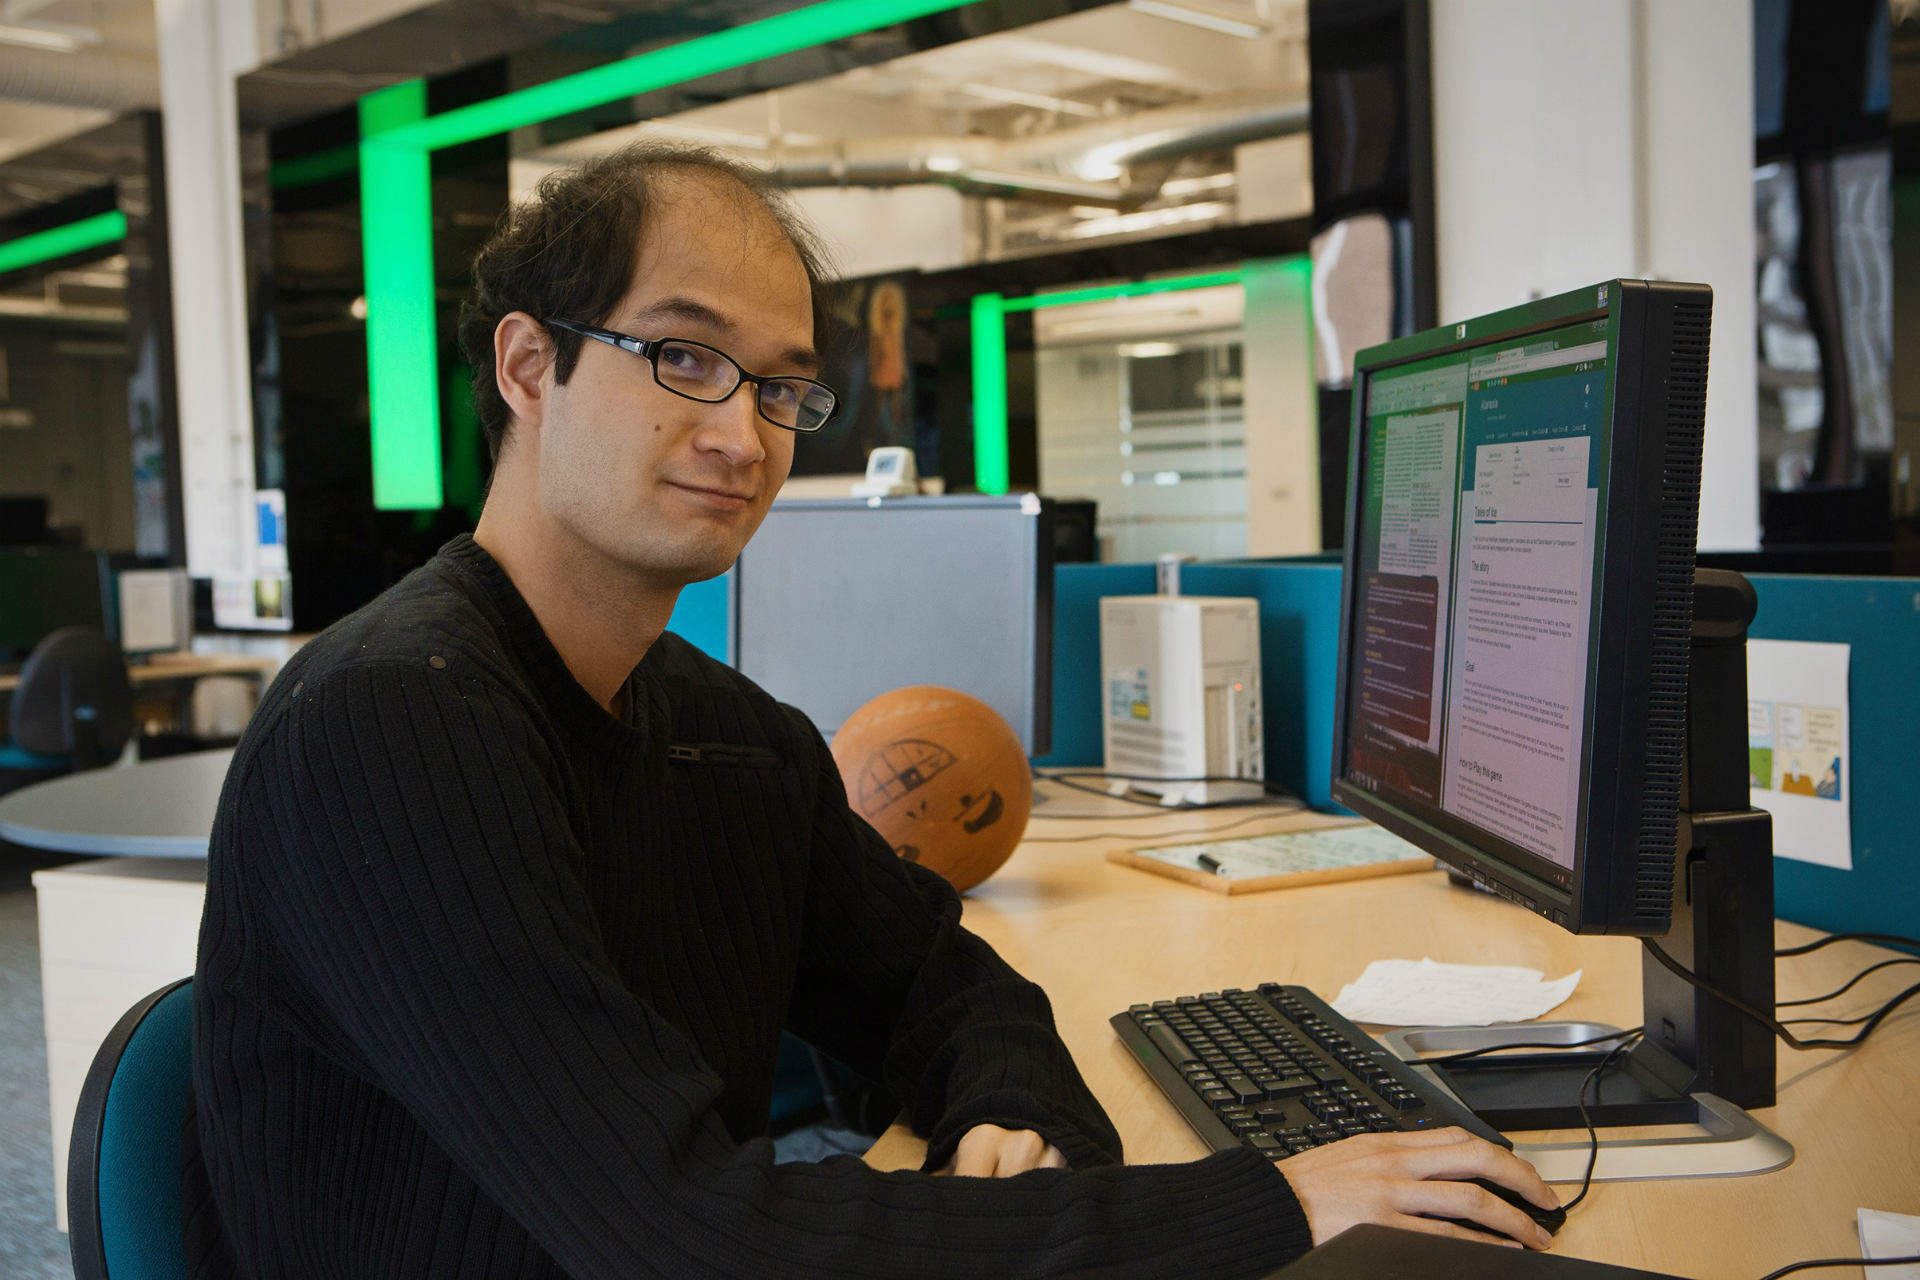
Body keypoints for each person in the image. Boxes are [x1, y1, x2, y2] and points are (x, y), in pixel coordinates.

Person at [183, 141, 1558, 1278]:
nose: (744, 434)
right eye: (682, 357)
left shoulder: (720, 731)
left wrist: (1008, 1109)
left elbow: (948, 983)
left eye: (782, 387)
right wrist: (1274, 1205)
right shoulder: (393, 725)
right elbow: (679, 1237)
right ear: (531, 368)